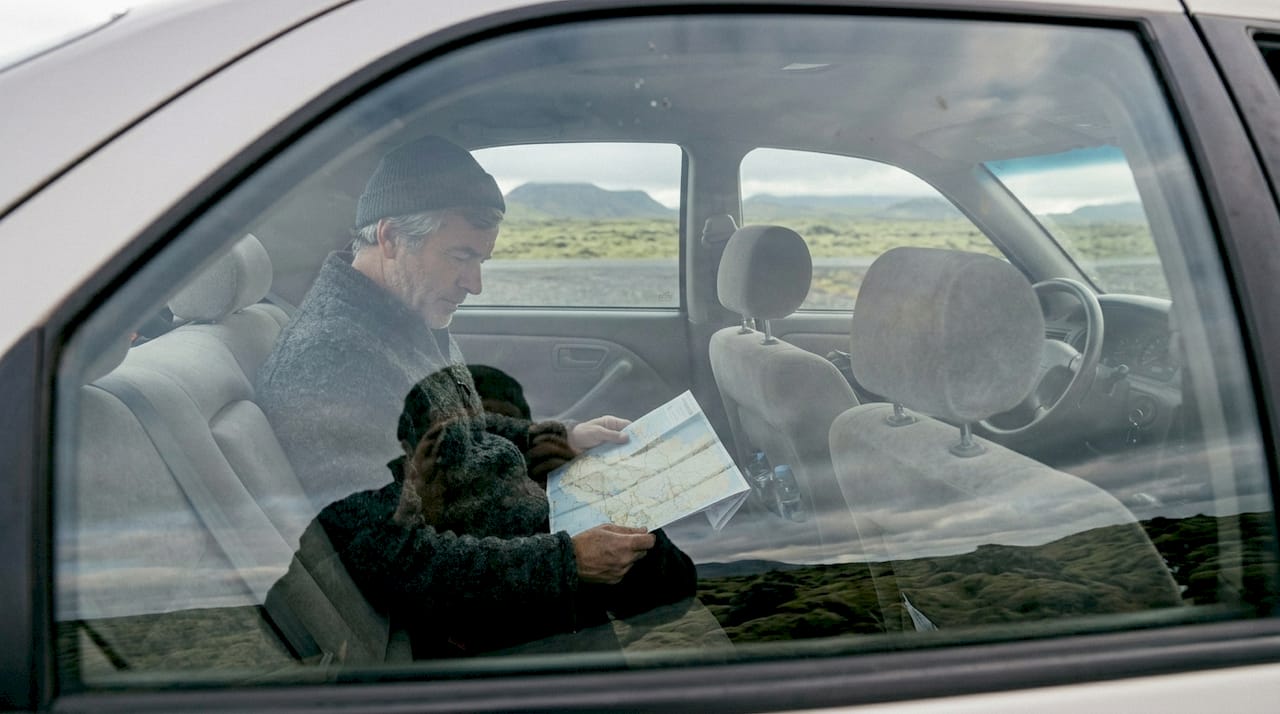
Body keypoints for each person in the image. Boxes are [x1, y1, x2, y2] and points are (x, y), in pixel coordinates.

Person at [257, 136, 693, 657]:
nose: (475, 284)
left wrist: (557, 439)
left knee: (668, 568)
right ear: (391, 237)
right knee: (675, 589)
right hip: (487, 619)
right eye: (461, 256)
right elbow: (391, 558)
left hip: (523, 543)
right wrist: (566, 561)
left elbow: (452, 430)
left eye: (481, 259)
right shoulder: (332, 357)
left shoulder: (403, 315)